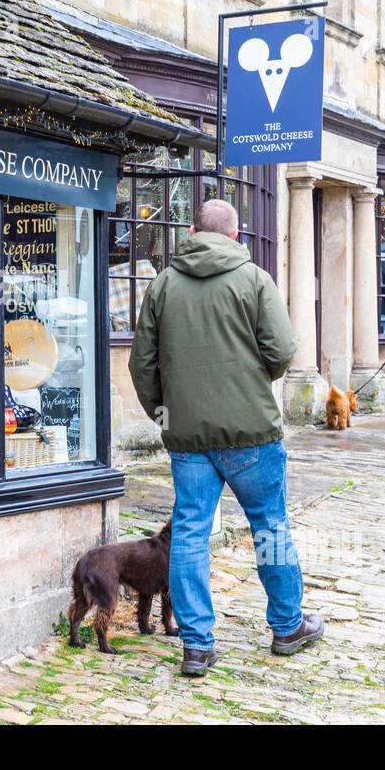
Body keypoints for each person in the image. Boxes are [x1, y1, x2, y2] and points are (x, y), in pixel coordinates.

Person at [129, 199, 323, 677]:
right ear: (235, 236)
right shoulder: (254, 279)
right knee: (270, 527)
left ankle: (196, 646)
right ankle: (287, 625)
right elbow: (281, 350)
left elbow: (142, 366)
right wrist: (254, 382)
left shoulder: (162, 285)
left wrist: (164, 412)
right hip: (252, 430)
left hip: (188, 435)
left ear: (193, 230)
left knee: (190, 535)